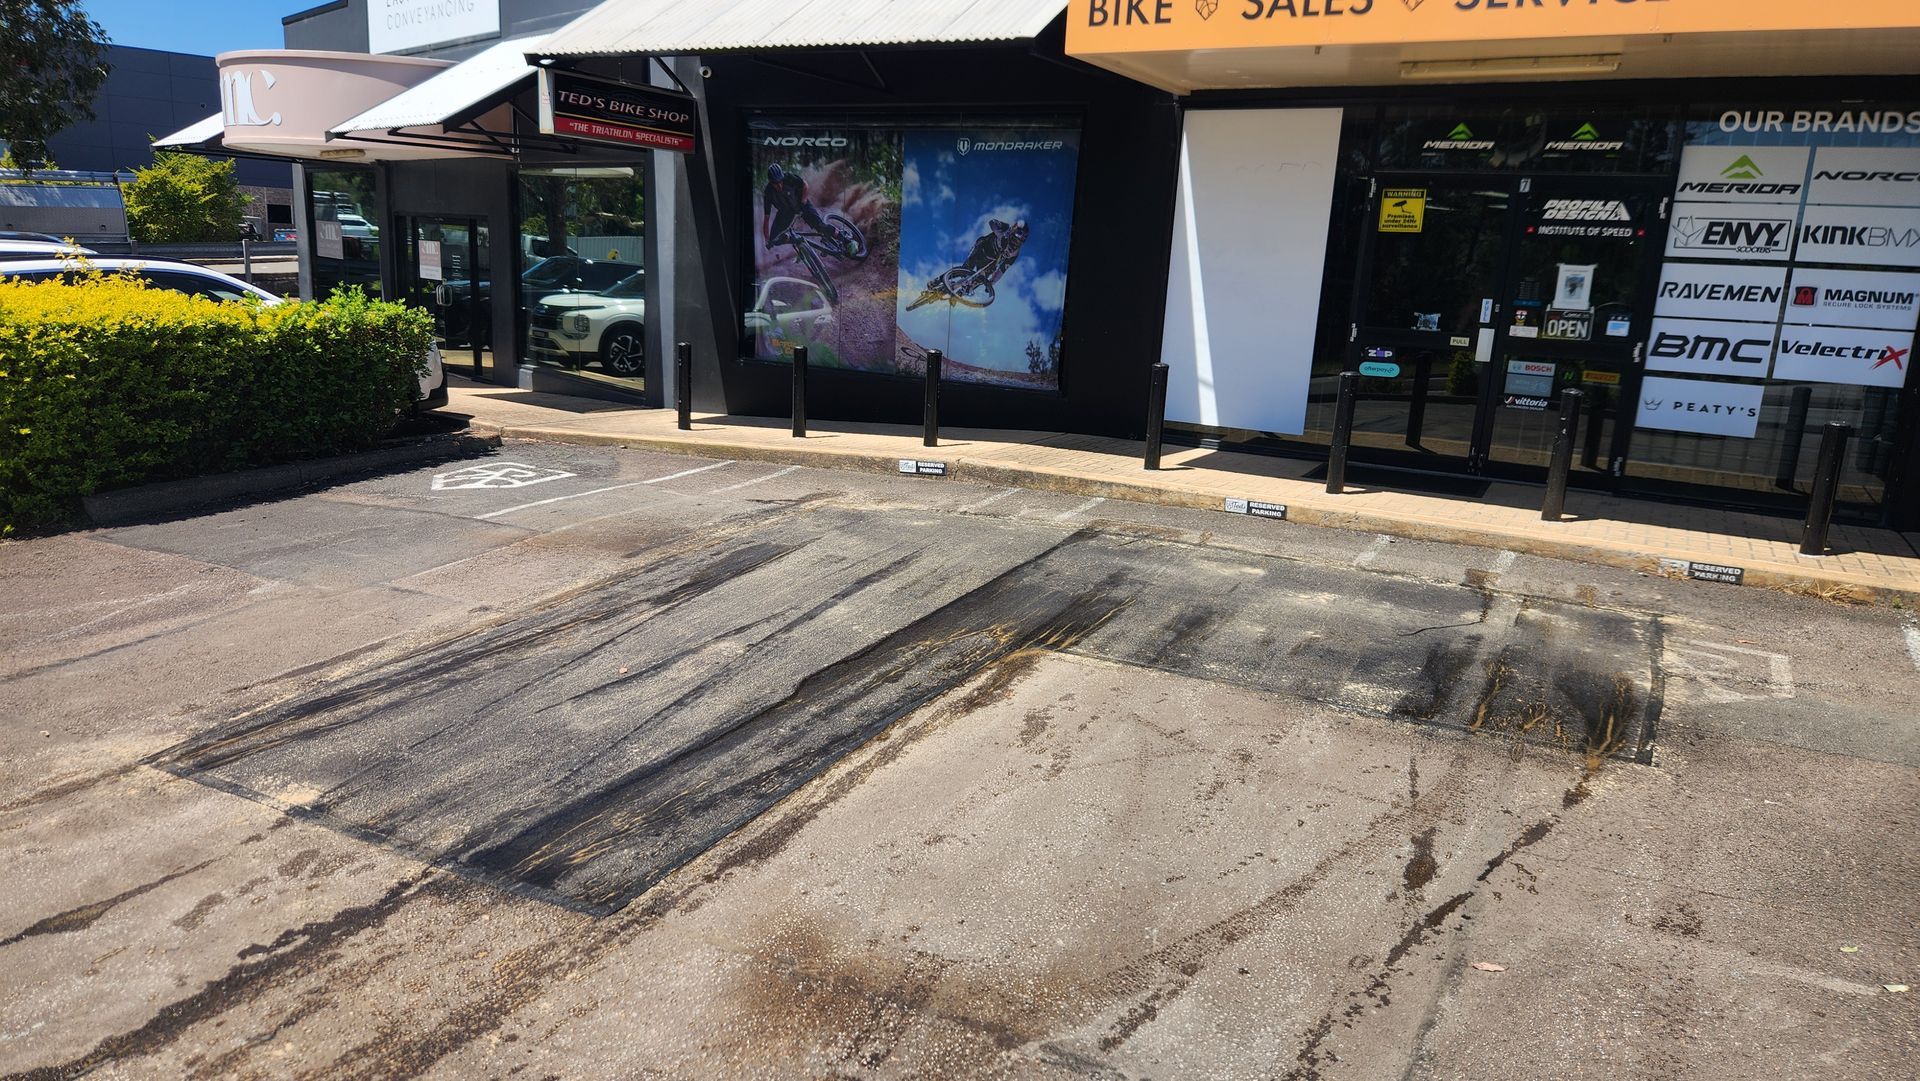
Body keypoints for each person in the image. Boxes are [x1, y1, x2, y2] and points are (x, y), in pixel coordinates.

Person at [762, 163, 835, 252]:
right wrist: (767, 240)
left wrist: (803, 201)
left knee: (820, 227)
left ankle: (843, 237)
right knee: (774, 240)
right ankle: (796, 240)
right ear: (771, 182)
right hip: (785, 212)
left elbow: (805, 185)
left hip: (801, 204)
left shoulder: (789, 177)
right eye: (776, 183)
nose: (779, 185)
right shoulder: (768, 193)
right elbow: (766, 218)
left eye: (780, 181)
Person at [960, 219, 1029, 282]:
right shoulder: (1006, 227)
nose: (1019, 238)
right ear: (1014, 229)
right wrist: (1000, 235)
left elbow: (1003, 269)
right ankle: (959, 276)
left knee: (980, 280)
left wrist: (993, 281)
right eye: (1019, 233)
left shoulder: (1015, 253)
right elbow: (992, 222)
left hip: (989, 263)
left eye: (1023, 237)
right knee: (965, 270)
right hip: (981, 249)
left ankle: (967, 287)